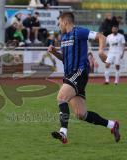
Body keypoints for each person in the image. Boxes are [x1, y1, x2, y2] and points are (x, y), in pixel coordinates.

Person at [47, 12, 120, 144]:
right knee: (81, 114)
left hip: (79, 72)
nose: (59, 26)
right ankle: (112, 125)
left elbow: (101, 36)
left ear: (65, 22)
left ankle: (63, 132)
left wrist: (101, 51)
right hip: (70, 75)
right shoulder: (63, 37)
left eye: (59, 23)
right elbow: (65, 58)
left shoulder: (79, 32)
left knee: (61, 97)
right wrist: (54, 53)